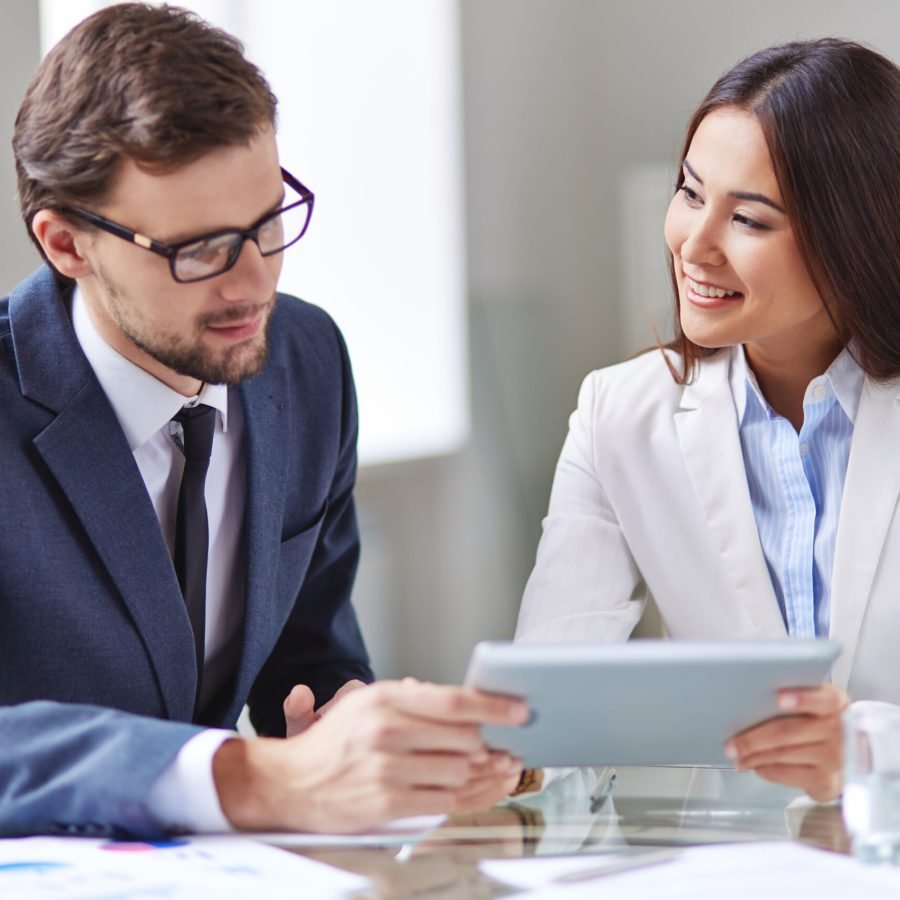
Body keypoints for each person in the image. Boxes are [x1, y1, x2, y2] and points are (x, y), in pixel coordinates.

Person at [0, 3, 526, 840]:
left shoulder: (305, 359)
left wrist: (365, 733)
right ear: (66, 245)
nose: (253, 285)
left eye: (268, 222)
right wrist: (249, 776)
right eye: (199, 249)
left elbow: (308, 659)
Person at [515, 38, 900, 803]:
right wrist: (500, 756)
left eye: (749, 221)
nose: (694, 245)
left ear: (855, 238)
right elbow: (550, 700)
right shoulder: (616, 414)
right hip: (729, 867)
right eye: (691, 193)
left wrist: (866, 748)